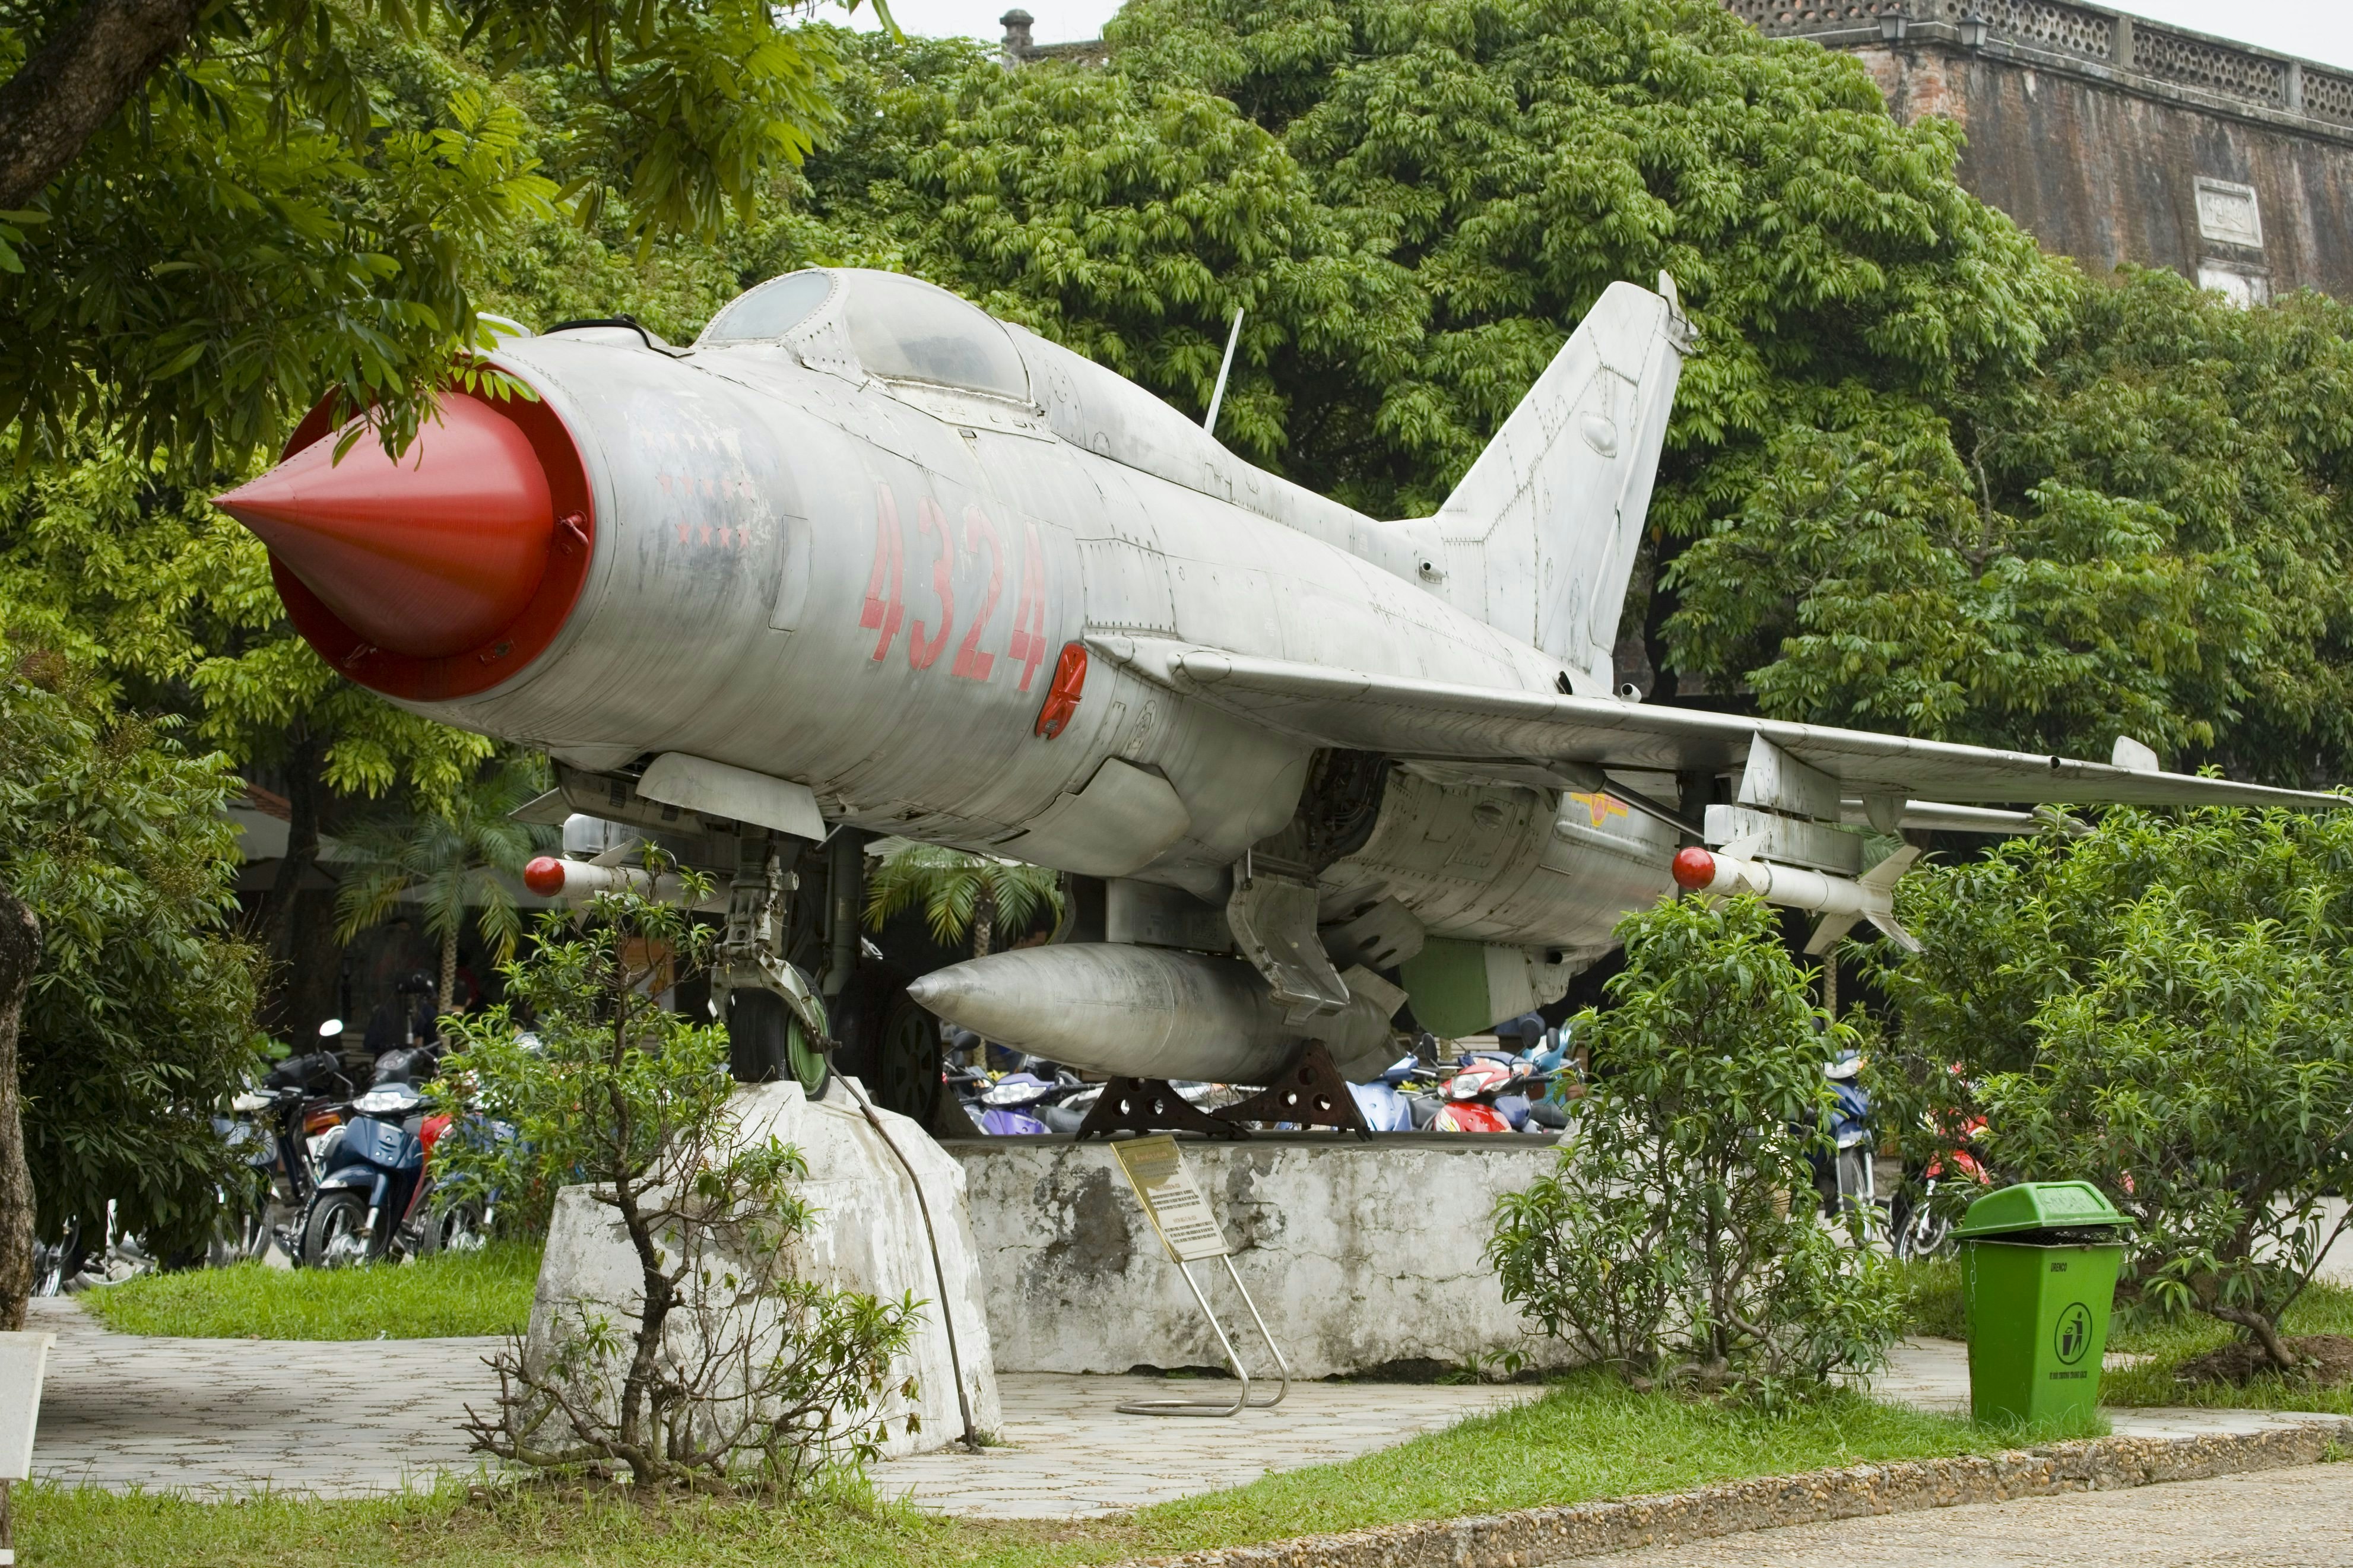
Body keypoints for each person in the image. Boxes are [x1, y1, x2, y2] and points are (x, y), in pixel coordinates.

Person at [361, 972, 438, 1058]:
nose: (411, 997)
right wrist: (402, 1044)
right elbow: (369, 1045)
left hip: (417, 1067)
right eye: (407, 994)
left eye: (417, 995)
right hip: (387, 1064)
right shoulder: (385, 1013)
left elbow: (433, 1051)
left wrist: (423, 1044)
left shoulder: (428, 1013)